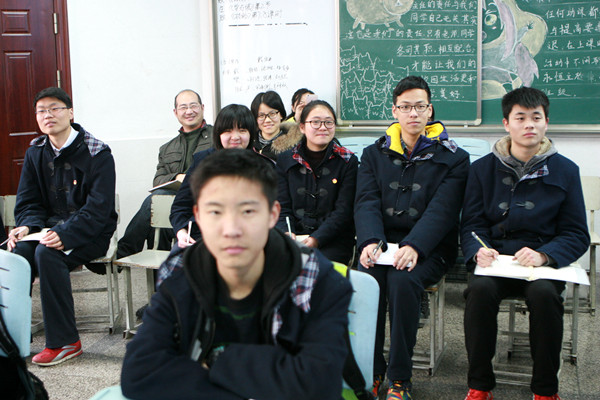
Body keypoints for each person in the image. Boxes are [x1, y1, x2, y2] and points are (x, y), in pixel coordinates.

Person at [121, 149, 353, 400]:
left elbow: (319, 384)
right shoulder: (180, 271)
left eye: (247, 212)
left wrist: (217, 361)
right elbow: (138, 375)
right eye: (215, 212)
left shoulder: (315, 278)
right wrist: (271, 375)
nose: (231, 230)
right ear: (198, 216)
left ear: (272, 214)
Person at [461, 87, 590, 400]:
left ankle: (545, 389)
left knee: (545, 296)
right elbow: (472, 224)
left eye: (536, 117)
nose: (529, 124)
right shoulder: (482, 169)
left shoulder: (566, 170)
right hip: (497, 261)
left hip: (541, 265)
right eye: (520, 118)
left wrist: (545, 255)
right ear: (506, 123)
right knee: (478, 292)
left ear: (547, 122)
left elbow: (576, 233)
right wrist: (478, 250)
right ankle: (479, 385)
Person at [354, 76, 469, 399]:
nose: (413, 113)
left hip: (431, 247)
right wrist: (369, 241)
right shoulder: (374, 153)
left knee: (403, 281)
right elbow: (366, 201)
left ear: (430, 110)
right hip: (382, 242)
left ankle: (400, 377)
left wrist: (415, 245)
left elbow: (443, 210)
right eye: (405, 107)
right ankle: (372, 369)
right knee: (368, 279)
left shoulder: (454, 157)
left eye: (420, 106)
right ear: (395, 111)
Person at [7, 87, 117, 366]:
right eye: (41, 111)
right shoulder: (35, 152)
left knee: (47, 253)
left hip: (91, 231)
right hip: (46, 228)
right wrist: (26, 226)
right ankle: (11, 339)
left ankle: (65, 342)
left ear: (70, 113)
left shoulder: (97, 152)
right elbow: (28, 201)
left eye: (55, 108)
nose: (48, 115)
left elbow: (98, 210)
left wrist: (65, 234)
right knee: (18, 253)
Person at [116, 89, 212, 259]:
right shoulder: (167, 148)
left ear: (202, 107)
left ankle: (124, 252)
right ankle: (158, 272)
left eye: (193, 106)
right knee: (157, 211)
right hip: (175, 203)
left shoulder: (216, 137)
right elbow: (158, 180)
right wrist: (177, 178)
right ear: (175, 112)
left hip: (202, 201)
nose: (189, 111)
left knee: (155, 201)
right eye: (183, 107)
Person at [276, 100, 358, 265]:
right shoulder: (286, 159)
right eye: (315, 122)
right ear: (302, 127)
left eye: (328, 122)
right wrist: (286, 233)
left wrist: (316, 238)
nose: (322, 127)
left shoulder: (347, 161)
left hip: (333, 239)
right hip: (295, 235)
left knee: (317, 267)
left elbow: (343, 211)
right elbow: (282, 206)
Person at [169, 104, 259, 253]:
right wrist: (181, 232)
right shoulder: (202, 161)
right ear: (218, 134)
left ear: (251, 134)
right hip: (202, 236)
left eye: (242, 130)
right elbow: (180, 207)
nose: (235, 137)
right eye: (228, 131)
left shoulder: (262, 166)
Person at [251, 90, 302, 161]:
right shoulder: (248, 143)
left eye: (272, 113)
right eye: (261, 115)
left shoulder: (295, 147)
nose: (267, 120)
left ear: (281, 115)